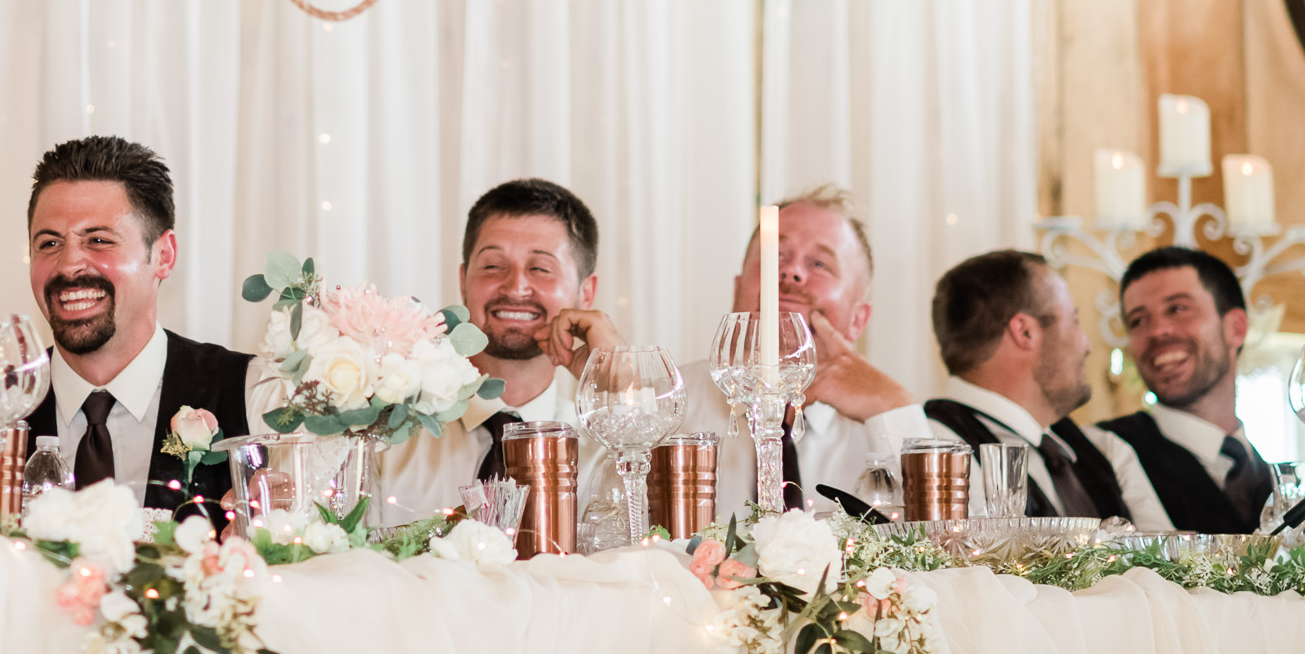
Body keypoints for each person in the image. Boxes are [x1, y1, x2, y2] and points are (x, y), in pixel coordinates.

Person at [22, 135, 255, 515]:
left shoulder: (248, 392)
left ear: (163, 256)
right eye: (49, 244)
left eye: (98, 240)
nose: (68, 266)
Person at [669, 186, 928, 513]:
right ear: (737, 290)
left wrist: (894, 407)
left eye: (819, 264)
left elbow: (968, 545)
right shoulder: (666, 406)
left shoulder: (886, 427)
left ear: (858, 320)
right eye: (776, 255)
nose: (791, 272)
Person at [372, 177, 610, 521]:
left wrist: (615, 382)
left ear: (586, 293)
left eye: (540, 268)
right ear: (463, 281)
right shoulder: (385, 436)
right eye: (493, 266)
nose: (515, 286)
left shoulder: (609, 452)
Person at [923, 249, 1171, 530]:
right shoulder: (932, 455)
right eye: (1074, 322)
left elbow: (1172, 566)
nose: (1087, 345)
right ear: (1025, 332)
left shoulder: (1107, 451)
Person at [1097, 246, 1273, 533]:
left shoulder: (1277, 481)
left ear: (1236, 328)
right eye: (1137, 321)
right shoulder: (1103, 453)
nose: (1157, 331)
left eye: (1178, 309)